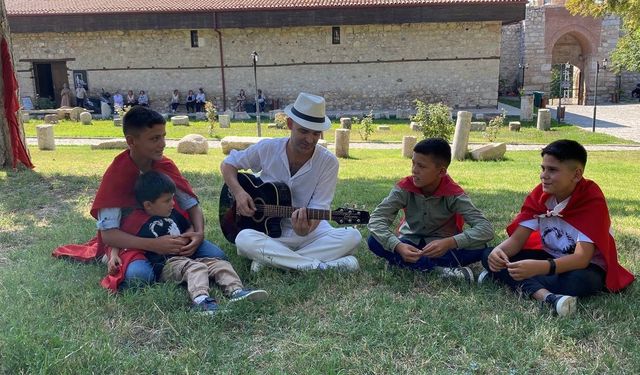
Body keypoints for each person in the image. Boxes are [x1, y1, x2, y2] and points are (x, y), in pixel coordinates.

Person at [53, 106, 227, 291]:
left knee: (218, 256)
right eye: (154, 138)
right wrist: (155, 245)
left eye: (163, 136)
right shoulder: (116, 175)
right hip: (133, 242)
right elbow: (109, 234)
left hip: (173, 234)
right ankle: (173, 268)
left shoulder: (165, 165)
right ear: (131, 141)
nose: (163, 144)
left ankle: (176, 265)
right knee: (140, 278)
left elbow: (192, 205)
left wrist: (197, 233)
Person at [481, 140, 634, 316]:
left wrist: (538, 268)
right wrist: (498, 253)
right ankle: (547, 297)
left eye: (552, 170)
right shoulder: (540, 196)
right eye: (543, 168)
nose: (543, 175)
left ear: (576, 175)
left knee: (578, 282)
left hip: (586, 268)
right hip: (550, 257)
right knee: (488, 254)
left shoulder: (591, 200)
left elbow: (581, 259)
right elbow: (517, 241)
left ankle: (504, 277)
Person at [220, 92, 362, 272]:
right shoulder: (268, 148)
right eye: (303, 131)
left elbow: (320, 205)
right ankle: (320, 266)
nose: (309, 139)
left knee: (353, 236)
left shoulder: (328, 163)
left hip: (309, 233)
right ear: (289, 124)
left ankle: (273, 262)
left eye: (316, 134)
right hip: (267, 233)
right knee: (243, 239)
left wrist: (306, 229)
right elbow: (228, 164)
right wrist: (239, 193)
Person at [107, 171, 267, 313]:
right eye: (167, 200)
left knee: (219, 263)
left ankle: (236, 291)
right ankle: (201, 300)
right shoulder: (137, 221)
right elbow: (120, 240)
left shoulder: (172, 214)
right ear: (148, 205)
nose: (173, 203)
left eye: (173, 199)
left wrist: (191, 237)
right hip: (166, 266)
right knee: (196, 267)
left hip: (187, 258)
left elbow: (189, 226)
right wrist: (114, 254)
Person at [367, 138, 494, 282]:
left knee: (481, 248)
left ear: (441, 172)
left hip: (443, 249)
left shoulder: (454, 193)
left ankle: (403, 263)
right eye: (413, 163)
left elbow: (486, 229)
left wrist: (449, 242)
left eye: (421, 166)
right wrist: (398, 246)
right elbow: (377, 219)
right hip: (409, 243)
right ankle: (438, 270)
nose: (414, 170)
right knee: (373, 240)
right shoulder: (404, 188)